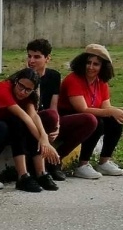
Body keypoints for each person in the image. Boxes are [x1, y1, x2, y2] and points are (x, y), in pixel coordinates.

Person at [61, 44, 123, 178]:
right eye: (88, 63)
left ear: (102, 67)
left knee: (115, 120)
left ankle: (104, 162)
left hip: (88, 118)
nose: (90, 67)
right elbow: (82, 109)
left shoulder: (101, 82)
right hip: (69, 118)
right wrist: (111, 111)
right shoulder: (73, 79)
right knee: (97, 121)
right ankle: (82, 165)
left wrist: (120, 110)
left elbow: (106, 107)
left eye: (96, 64)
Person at [26, 37, 98, 171]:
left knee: (90, 120)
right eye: (29, 56)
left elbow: (54, 106)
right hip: (32, 122)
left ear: (47, 58)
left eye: (37, 57)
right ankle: (41, 166)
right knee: (49, 115)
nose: (31, 61)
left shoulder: (54, 76)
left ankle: (55, 160)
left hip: (51, 119)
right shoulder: (24, 77)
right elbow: (31, 111)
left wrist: (57, 126)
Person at [0, 68, 61, 193]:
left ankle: (41, 173)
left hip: (13, 121)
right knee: (19, 123)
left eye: (28, 90)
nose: (22, 92)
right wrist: (44, 142)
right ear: (16, 81)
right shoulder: (2, 89)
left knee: (39, 122)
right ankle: (23, 176)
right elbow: (24, 117)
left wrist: (44, 138)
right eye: (21, 86)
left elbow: (33, 116)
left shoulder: (29, 95)